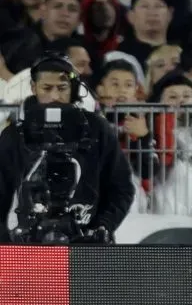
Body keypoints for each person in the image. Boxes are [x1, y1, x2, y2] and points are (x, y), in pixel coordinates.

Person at [0, 53, 135, 244]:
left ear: (73, 88)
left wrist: (103, 226)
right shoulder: (16, 134)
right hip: (29, 246)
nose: (55, 96)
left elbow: (121, 188)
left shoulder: (98, 128)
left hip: (87, 245)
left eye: (62, 88)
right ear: (33, 87)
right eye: (47, 88)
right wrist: (5, 241)